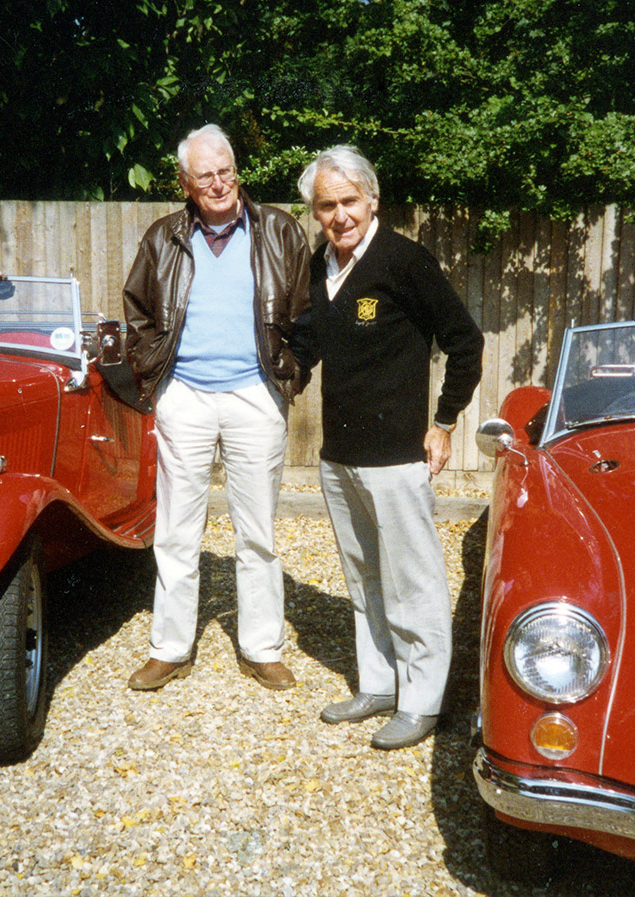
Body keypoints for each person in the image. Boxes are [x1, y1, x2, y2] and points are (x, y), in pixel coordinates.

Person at [292, 145, 483, 750]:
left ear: (372, 200)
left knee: (414, 580)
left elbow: (465, 342)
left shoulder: (404, 261)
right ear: (316, 213)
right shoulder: (320, 266)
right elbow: (306, 347)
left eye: (349, 201)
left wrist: (444, 421)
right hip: (339, 456)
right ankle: (378, 684)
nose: (340, 215)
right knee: (363, 574)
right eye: (327, 205)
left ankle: (423, 699)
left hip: (398, 456)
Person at [121, 124, 311, 692]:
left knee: (257, 531)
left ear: (237, 171)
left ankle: (261, 646)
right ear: (185, 182)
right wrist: (160, 381)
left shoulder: (279, 231)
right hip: (187, 396)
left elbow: (306, 315)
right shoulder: (162, 238)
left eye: (226, 170)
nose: (219, 182)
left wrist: (288, 375)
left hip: (256, 394)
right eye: (205, 175)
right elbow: (137, 314)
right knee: (177, 529)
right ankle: (171, 647)